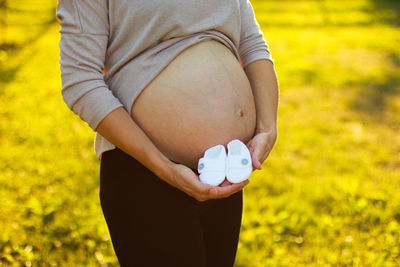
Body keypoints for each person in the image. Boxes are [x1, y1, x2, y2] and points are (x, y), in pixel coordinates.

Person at [56, 0, 279, 266]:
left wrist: (267, 127)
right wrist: (163, 168)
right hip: (144, 174)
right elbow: (80, 80)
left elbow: (252, 45)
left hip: (224, 170)